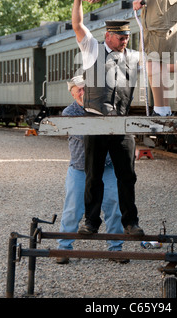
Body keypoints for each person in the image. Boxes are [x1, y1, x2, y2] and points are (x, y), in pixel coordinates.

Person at [71, 0, 177, 237]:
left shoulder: (133, 57)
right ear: (108, 36)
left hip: (122, 124)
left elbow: (162, 66)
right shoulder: (91, 49)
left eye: (128, 36)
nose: (125, 41)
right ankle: (90, 222)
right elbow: (77, 24)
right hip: (95, 122)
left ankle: (130, 223)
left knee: (127, 176)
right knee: (93, 176)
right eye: (121, 37)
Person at [57, 75, 127, 264]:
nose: (82, 92)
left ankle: (116, 249)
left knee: (113, 205)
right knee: (73, 209)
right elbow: (88, 136)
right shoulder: (69, 113)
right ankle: (64, 248)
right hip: (80, 169)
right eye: (77, 90)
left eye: (84, 88)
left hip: (106, 167)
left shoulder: (104, 109)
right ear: (73, 95)